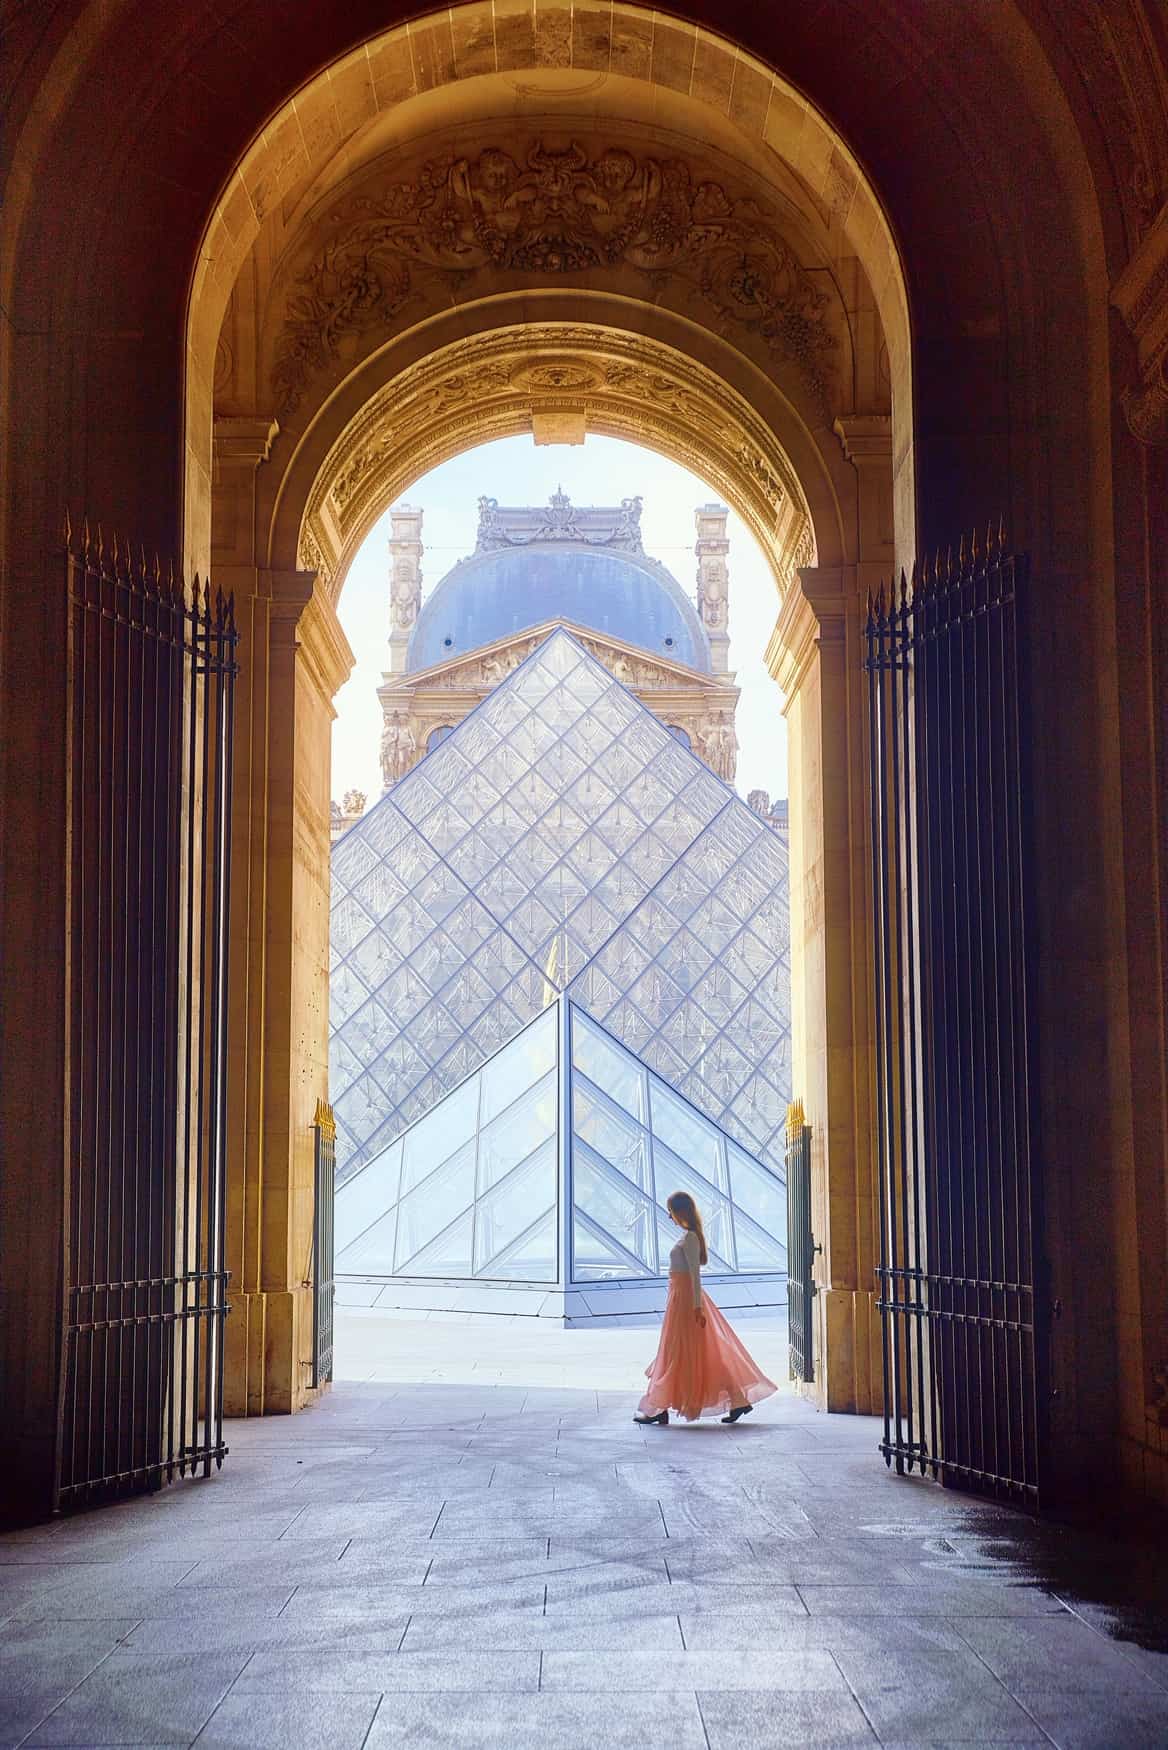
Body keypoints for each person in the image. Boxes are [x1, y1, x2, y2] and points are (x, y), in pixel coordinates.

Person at [634, 1191, 778, 1426]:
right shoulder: (688, 1236)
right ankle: (737, 1400)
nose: (669, 1217)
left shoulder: (690, 1238)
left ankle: (657, 1407)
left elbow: (695, 1274)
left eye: (670, 1211)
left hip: (686, 1301)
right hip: (681, 1299)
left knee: (677, 1353)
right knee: (691, 1354)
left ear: (680, 1211)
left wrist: (697, 1307)